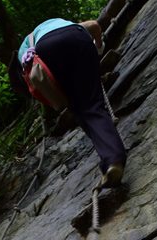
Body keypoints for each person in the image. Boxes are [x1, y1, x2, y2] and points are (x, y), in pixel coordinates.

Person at [8, 18, 126, 188]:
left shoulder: (24, 52)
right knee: (90, 104)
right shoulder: (59, 24)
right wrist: (98, 47)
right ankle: (112, 157)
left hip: (46, 51)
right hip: (78, 37)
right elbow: (94, 26)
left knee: (84, 108)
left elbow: (40, 83)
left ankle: (113, 160)